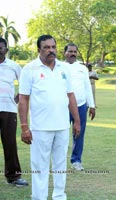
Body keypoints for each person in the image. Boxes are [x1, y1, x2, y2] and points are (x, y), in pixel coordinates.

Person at [18, 35, 80, 200]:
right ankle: (39, 197)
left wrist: (77, 121)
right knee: (39, 166)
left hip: (62, 126)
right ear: (39, 50)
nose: (51, 50)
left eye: (53, 47)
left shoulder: (63, 68)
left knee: (60, 164)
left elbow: (70, 95)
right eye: (47, 47)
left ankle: (59, 195)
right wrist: (24, 127)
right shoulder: (29, 69)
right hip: (40, 128)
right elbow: (23, 99)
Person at [0, 37, 28, 187]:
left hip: (8, 110)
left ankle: (14, 177)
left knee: (10, 144)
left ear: (6, 49)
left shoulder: (13, 66)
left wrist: (19, 97)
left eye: (1, 48)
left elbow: (25, 84)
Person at [64, 43, 96, 170]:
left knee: (79, 133)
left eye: (74, 52)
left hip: (81, 106)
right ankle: (60, 160)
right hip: (63, 106)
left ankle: (76, 160)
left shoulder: (82, 68)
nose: (72, 54)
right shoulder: (59, 66)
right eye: (70, 51)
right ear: (64, 52)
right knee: (61, 133)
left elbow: (87, 87)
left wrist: (92, 105)